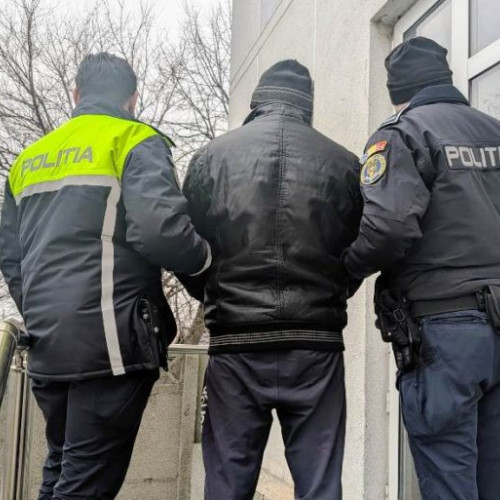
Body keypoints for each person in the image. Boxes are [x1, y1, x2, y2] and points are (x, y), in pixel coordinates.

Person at [0, 53, 211, 500]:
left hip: (48, 346)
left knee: (62, 467)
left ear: (76, 94)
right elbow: (161, 231)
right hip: (109, 345)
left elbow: (11, 257)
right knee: (83, 484)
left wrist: (42, 314)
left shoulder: (29, 160)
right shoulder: (133, 140)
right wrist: (206, 264)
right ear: (132, 98)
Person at [178, 59, 362, 500]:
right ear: (308, 104)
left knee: (226, 485)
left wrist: (211, 292)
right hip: (315, 345)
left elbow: (182, 245)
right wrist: (336, 290)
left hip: (236, 346)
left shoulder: (210, 159)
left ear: (257, 100)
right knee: (320, 487)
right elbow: (362, 246)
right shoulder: (344, 164)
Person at [343, 37, 500, 500]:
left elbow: (388, 229)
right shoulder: (494, 130)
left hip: (444, 331)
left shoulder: (403, 134)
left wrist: (342, 273)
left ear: (398, 91)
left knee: (449, 477)